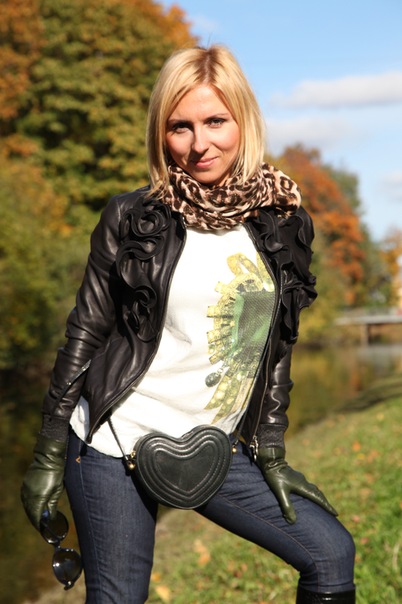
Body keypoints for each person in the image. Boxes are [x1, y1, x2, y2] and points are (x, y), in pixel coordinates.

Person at [21, 45, 356, 603]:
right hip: (110, 444)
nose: (200, 144)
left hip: (215, 446)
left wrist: (271, 449)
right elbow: (85, 333)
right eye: (181, 127)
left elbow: (277, 347)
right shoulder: (132, 217)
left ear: (243, 120)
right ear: (162, 133)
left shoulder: (284, 222)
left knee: (330, 554)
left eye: (215, 121)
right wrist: (49, 452)